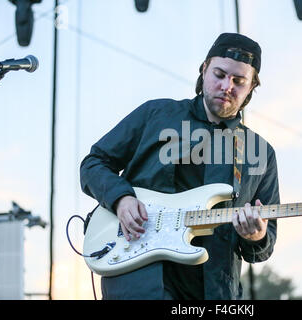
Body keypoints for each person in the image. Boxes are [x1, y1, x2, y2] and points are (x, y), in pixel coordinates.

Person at [80, 32, 280, 300]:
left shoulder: (260, 152)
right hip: (139, 280)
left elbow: (264, 246)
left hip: (213, 289)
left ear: (251, 87)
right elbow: (94, 163)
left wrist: (256, 235)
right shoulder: (156, 114)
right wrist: (121, 198)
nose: (226, 86)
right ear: (204, 70)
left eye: (238, 81)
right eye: (219, 75)